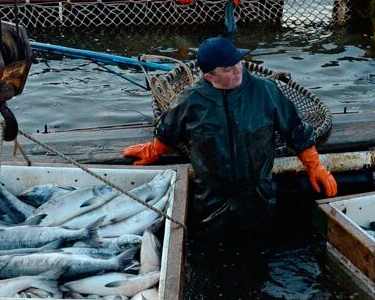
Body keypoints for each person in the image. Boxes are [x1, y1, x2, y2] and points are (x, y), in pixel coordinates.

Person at [123, 37, 337, 239]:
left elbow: (295, 129)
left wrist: (314, 166)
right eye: (227, 69)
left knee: (258, 250)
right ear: (209, 76)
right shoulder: (191, 100)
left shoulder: (266, 91)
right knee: (211, 250)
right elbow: (169, 131)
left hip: (258, 193)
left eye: (238, 62)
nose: (237, 70)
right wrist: (153, 150)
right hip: (211, 196)